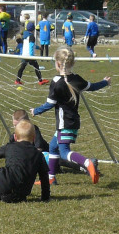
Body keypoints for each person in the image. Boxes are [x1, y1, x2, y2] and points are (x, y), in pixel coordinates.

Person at [32, 47, 107, 185]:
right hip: (72, 122)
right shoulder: (76, 78)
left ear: (58, 64)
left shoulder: (56, 81)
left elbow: (50, 103)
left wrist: (36, 111)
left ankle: (86, 162)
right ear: (71, 63)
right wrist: (104, 82)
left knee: (64, 152)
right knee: (53, 147)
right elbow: (92, 87)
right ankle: (50, 178)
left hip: (64, 123)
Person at [14, 17, 48, 86]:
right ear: (33, 29)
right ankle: (40, 81)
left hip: (24, 54)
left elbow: (28, 44)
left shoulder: (25, 35)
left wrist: (39, 48)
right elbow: (31, 46)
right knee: (36, 67)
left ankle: (17, 80)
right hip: (29, 55)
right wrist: (32, 56)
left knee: (22, 67)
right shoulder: (32, 36)